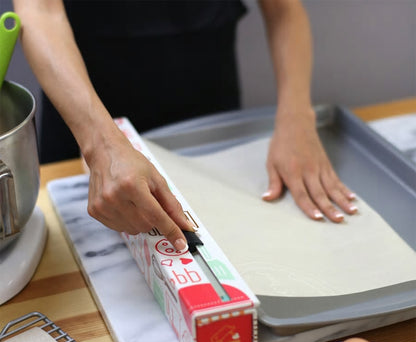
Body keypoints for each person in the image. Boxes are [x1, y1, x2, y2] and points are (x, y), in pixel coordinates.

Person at [13, 0, 357, 252]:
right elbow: (40, 10)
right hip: (86, 111)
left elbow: (283, 9)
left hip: (209, 111)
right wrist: (100, 145)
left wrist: (297, 116)